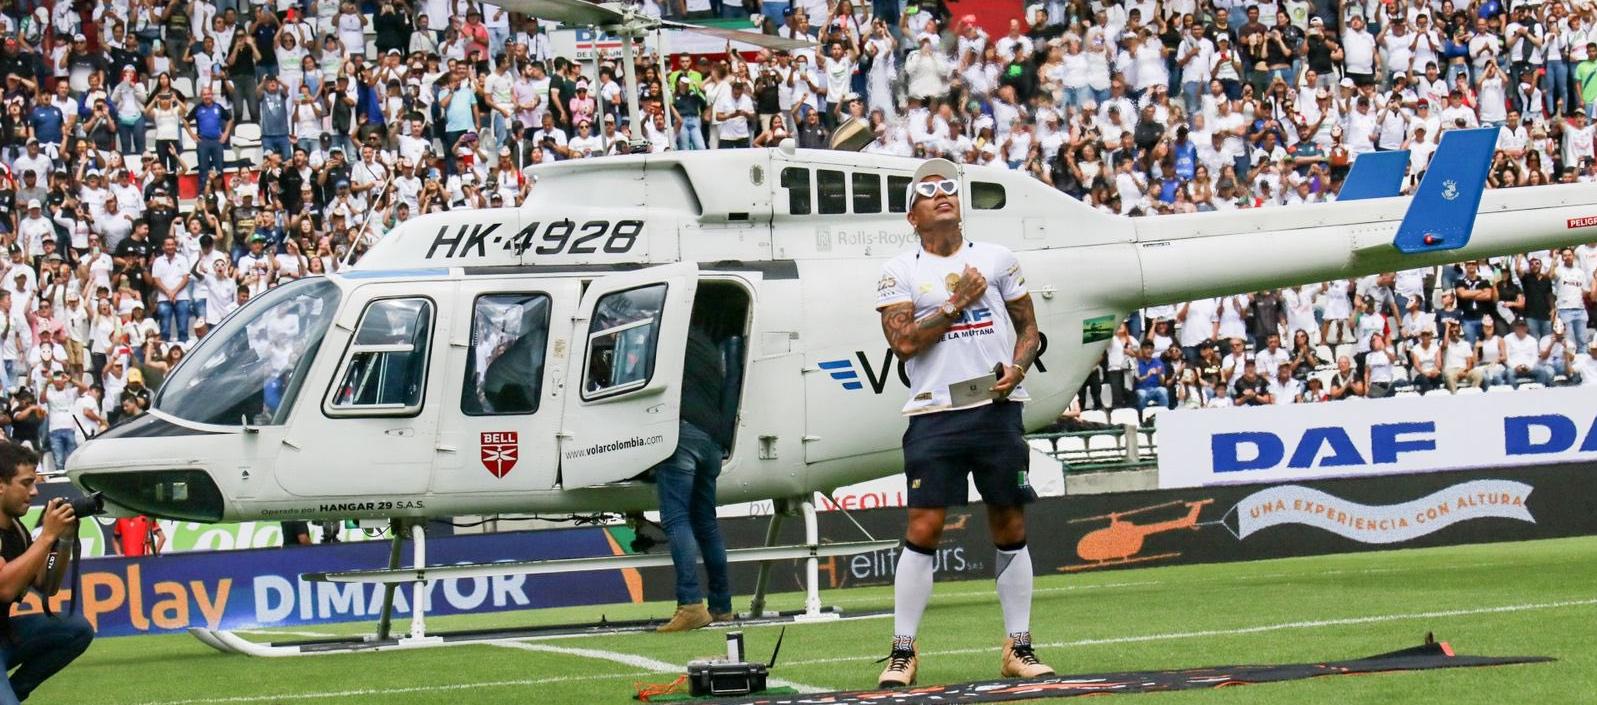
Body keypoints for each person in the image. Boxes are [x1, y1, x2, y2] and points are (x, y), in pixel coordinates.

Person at [874, 158, 1050, 687]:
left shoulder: (998, 259)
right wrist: (956, 302)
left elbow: (1029, 328)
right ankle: (902, 652)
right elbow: (903, 342)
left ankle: (1018, 646)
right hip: (934, 414)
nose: (942, 193)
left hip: (996, 411)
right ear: (913, 216)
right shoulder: (898, 271)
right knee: (923, 527)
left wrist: (1018, 367)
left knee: (1010, 522)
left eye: (949, 186)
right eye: (928, 191)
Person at [649, 299, 734, 633]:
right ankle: (722, 606)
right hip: (710, 438)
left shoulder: (668, 340)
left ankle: (690, 605)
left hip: (681, 434)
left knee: (676, 519)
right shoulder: (709, 347)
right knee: (706, 522)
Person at [0, 442, 93, 703]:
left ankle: (14, 694)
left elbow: (46, 583)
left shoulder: (16, 528)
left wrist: (60, 543)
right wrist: (47, 536)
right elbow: (5, 587)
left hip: (4, 635)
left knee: (76, 628)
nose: (34, 491)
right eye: (26, 483)